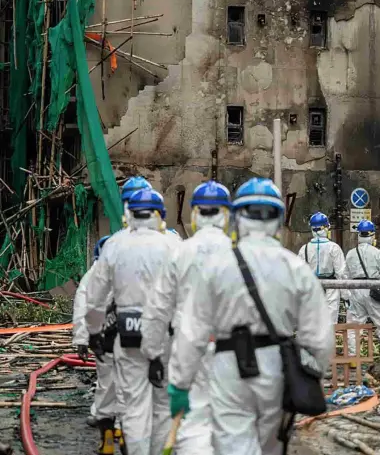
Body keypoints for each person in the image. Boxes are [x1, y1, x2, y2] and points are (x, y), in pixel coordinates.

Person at [167, 178, 333, 455]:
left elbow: (191, 331)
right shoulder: (295, 267)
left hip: (229, 366)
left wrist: (180, 383)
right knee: (271, 444)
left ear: (237, 217)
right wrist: (309, 374)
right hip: (277, 368)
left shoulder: (217, 266)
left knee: (234, 443)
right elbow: (319, 338)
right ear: (278, 219)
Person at [141, 181, 233, 455]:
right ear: (226, 215)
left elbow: (158, 308)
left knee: (188, 421)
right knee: (230, 419)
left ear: (194, 214)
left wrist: (153, 353)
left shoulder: (180, 252)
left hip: (185, 346)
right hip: (232, 350)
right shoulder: (239, 253)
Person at [85, 189, 178, 455]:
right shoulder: (173, 245)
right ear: (160, 215)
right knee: (162, 406)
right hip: (166, 334)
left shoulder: (115, 245)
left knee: (134, 406)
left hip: (128, 334)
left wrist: (93, 332)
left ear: (129, 213)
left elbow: (94, 296)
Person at [73, 235, 123, 454]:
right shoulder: (120, 270)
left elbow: (84, 308)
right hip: (125, 337)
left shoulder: (94, 275)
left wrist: (84, 338)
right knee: (126, 384)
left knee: (106, 382)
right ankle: (119, 428)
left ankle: (107, 430)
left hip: (103, 336)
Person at [344, 220, 380, 365]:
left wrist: (347, 295)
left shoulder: (351, 254)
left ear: (359, 235)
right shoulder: (378, 253)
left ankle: (353, 358)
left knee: (354, 326)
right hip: (374, 290)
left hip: (356, 290)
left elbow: (345, 275)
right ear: (372, 235)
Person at [298, 212, 346, 325]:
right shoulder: (334, 248)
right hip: (331, 287)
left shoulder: (304, 249)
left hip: (311, 286)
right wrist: (346, 295)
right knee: (330, 322)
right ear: (326, 228)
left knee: (312, 321)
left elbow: (299, 273)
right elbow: (341, 272)